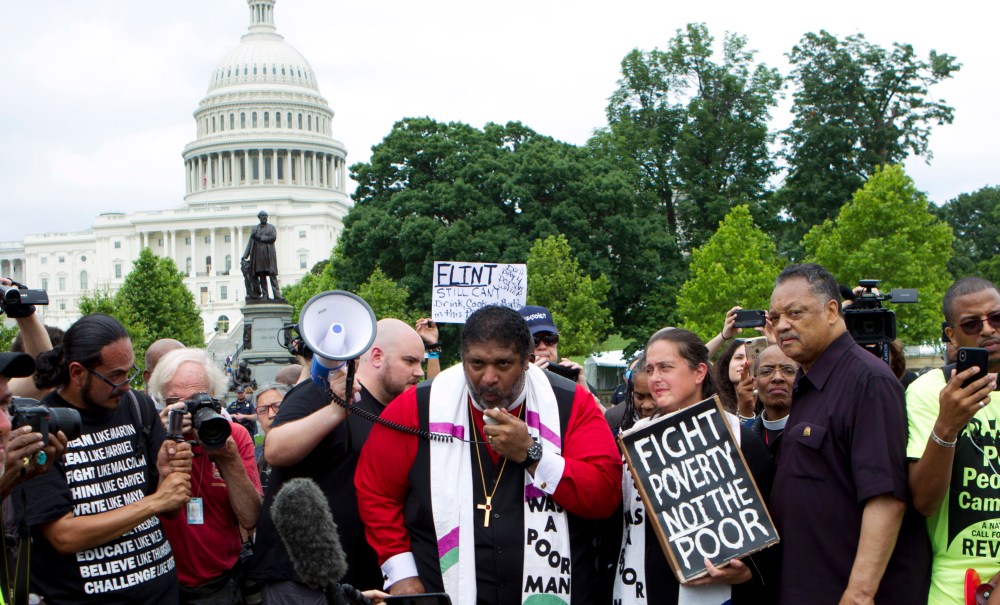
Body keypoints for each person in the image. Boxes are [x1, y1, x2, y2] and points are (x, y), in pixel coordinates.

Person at [355, 305, 622, 603]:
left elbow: (604, 495)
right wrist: (402, 575)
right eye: (477, 363)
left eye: (503, 364)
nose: (488, 378)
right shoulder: (417, 407)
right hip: (441, 590)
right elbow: (376, 491)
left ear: (527, 361)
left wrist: (533, 454)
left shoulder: (571, 403)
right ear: (463, 358)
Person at [767, 263, 929, 604]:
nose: (783, 325)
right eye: (775, 317)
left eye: (795, 313)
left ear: (831, 311)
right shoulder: (810, 382)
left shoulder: (868, 381)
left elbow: (886, 497)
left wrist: (859, 592)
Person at [248, 318, 426, 603]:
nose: (419, 371)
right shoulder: (322, 390)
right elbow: (276, 449)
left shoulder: (395, 412)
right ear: (377, 356)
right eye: (410, 361)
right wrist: (335, 410)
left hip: (359, 581)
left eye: (422, 362)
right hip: (304, 581)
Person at [18, 314, 193, 604]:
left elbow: (170, 509)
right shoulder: (43, 426)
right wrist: (155, 501)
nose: (125, 385)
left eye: (129, 372)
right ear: (77, 373)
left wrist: (166, 475)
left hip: (160, 593)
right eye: (114, 376)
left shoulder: (138, 405)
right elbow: (63, 536)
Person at [612, 328, 774, 604]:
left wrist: (747, 572)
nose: (655, 379)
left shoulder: (741, 440)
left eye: (665, 367)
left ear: (699, 373)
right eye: (650, 369)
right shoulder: (632, 441)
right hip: (643, 588)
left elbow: (770, 528)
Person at [906, 277, 1000, 605]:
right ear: (951, 335)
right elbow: (924, 502)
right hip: (953, 586)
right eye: (972, 324)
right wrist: (947, 426)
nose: (987, 330)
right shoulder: (929, 391)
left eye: (997, 318)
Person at [150, 348, 263, 604]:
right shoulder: (151, 435)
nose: (188, 411)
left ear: (213, 397)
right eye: (176, 403)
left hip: (221, 581)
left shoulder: (234, 436)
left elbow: (250, 518)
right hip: (161, 580)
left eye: (195, 400)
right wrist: (161, 437)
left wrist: (227, 456)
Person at [517, 305, 599, 402]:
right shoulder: (510, 386)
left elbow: (607, 417)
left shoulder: (575, 381)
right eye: (534, 341)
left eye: (550, 339)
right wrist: (527, 382)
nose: (543, 346)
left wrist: (586, 396)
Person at [746, 345, 797, 459]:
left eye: (788, 370)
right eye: (766, 371)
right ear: (754, 382)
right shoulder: (743, 437)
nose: (777, 377)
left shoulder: (819, 428)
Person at [252, 383, 288, 492]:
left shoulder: (308, 448)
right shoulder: (255, 453)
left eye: (277, 406)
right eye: (263, 410)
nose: (271, 414)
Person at [243, 210, 281, 300]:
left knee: (272, 274)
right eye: (262, 216)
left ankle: (277, 294)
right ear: (259, 217)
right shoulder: (255, 229)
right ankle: (265, 295)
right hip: (258, 256)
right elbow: (250, 243)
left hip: (269, 254)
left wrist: (260, 238)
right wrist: (245, 256)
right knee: (262, 275)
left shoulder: (271, 227)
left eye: (266, 216)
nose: (264, 217)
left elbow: (273, 238)